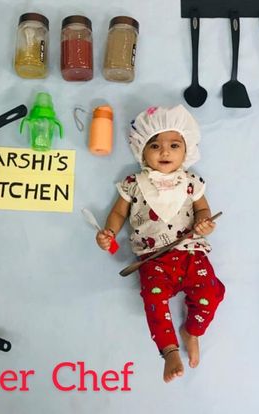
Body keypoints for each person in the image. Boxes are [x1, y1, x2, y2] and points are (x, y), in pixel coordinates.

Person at [95, 105, 225, 383]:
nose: (165, 152)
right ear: (141, 151)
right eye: (155, 145)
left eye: (174, 145)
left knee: (210, 294)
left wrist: (205, 223)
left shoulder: (191, 182)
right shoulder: (133, 183)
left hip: (191, 253)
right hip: (153, 260)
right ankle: (169, 352)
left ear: (186, 151)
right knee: (154, 303)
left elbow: (203, 211)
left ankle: (193, 330)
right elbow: (119, 213)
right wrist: (109, 231)